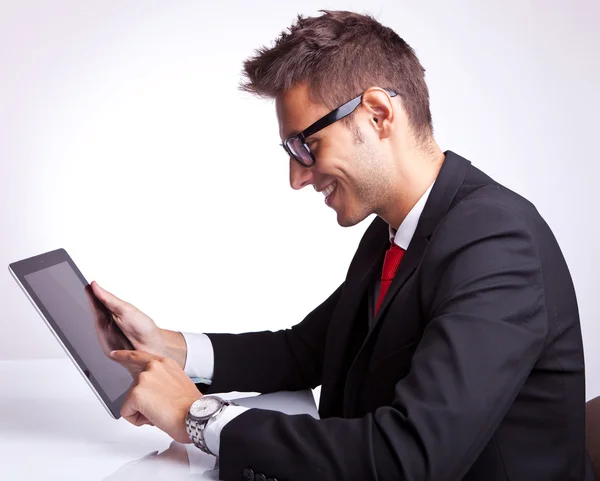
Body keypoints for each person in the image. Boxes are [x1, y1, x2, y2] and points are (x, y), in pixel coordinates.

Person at [91, 10, 594, 481]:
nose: (296, 177)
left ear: (376, 114)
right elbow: (305, 350)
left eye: (304, 145)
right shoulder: (397, 228)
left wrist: (196, 415)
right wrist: (167, 346)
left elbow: (411, 456)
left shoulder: (498, 242)